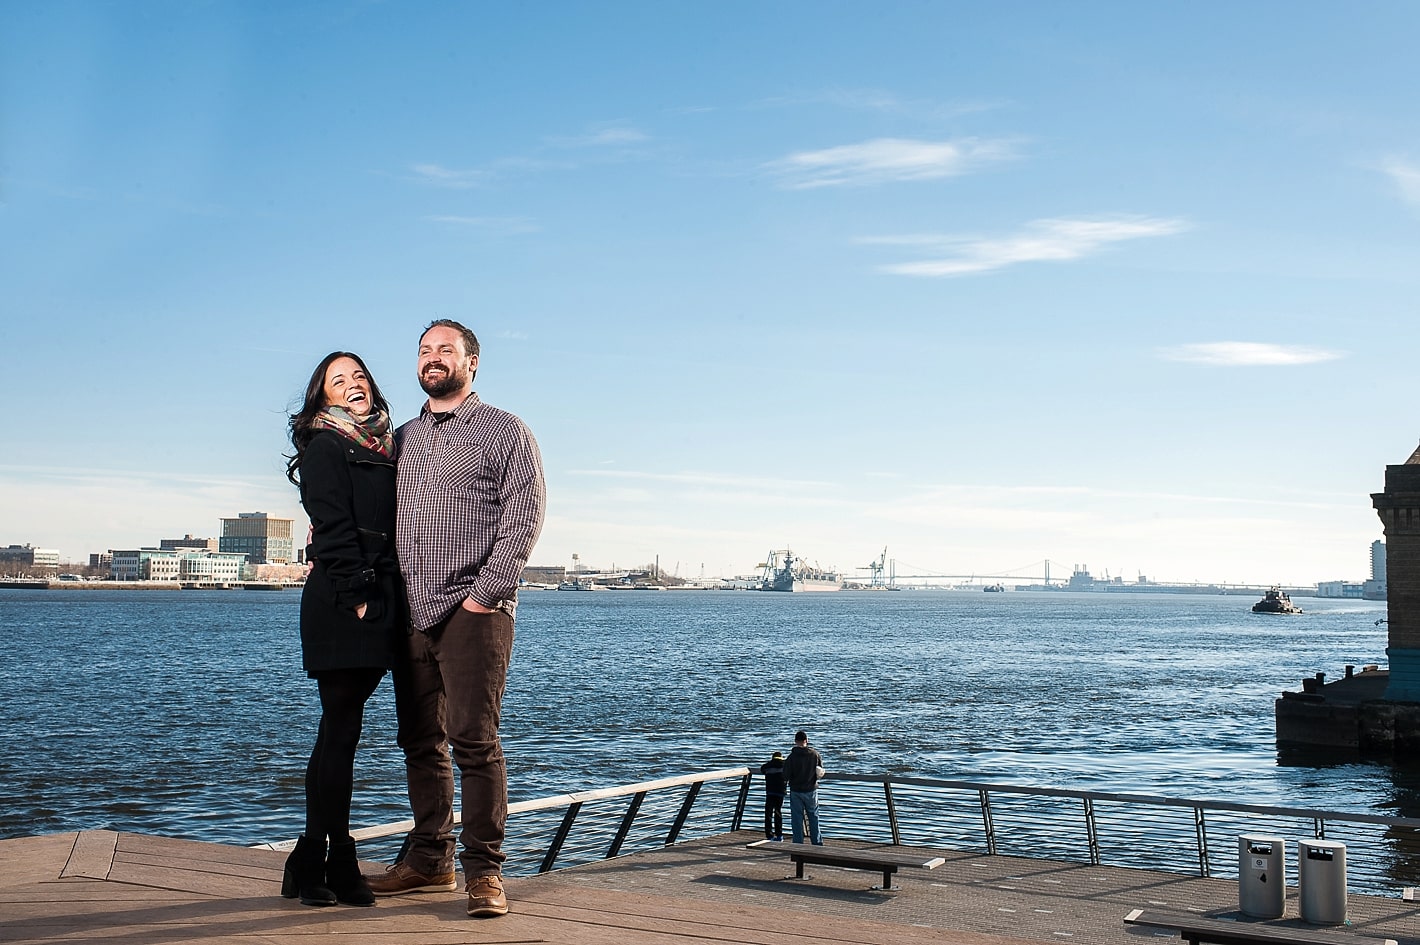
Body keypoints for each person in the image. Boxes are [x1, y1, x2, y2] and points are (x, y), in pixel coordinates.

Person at [365, 319, 546, 919]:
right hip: (411, 611)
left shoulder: (504, 431)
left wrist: (483, 596)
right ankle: (428, 860)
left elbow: (523, 518)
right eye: (424, 350)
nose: (433, 358)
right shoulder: (404, 438)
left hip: (475, 610)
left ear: (472, 362)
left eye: (446, 349)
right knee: (419, 741)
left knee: (473, 740)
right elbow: (376, 508)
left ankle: (485, 874)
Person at [281, 351, 402, 907]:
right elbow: (331, 527)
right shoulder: (325, 444)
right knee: (340, 730)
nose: (352, 385)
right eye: (339, 380)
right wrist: (357, 600)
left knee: (341, 734)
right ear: (323, 396)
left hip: (383, 598)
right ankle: (332, 860)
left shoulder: (390, 445)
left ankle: (315, 859)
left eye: (359, 377)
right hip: (343, 600)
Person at [784, 730, 824, 845]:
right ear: (806, 740)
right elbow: (820, 771)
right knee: (813, 817)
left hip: (796, 790)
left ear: (795, 741)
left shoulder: (791, 757)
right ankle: (816, 843)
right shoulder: (815, 755)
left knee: (796, 818)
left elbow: (786, 775)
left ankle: (798, 843)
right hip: (811, 790)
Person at [760, 751, 786, 840]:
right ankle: (779, 835)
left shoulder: (768, 765)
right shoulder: (785, 765)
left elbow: (762, 769)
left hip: (770, 791)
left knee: (768, 814)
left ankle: (769, 835)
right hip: (780, 792)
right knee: (778, 812)